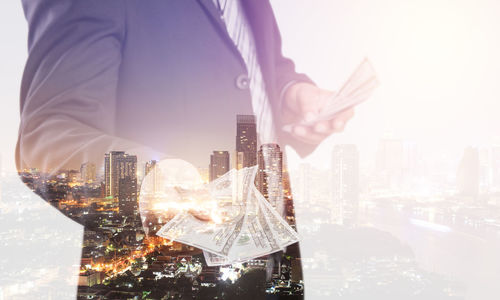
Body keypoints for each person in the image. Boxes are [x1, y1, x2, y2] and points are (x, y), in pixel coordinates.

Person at [17, 0, 354, 298]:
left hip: (275, 263)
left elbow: (251, 64)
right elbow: (48, 138)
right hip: (166, 277)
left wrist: (289, 94)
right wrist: (149, 179)